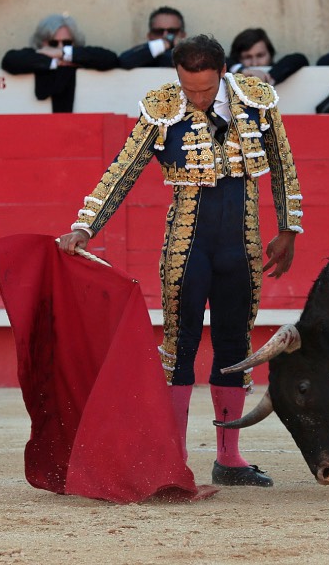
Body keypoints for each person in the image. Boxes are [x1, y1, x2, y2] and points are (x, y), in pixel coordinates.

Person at [57, 35, 303, 487]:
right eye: (189, 90)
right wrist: (86, 225)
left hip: (242, 242)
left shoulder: (258, 99)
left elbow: (283, 163)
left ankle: (229, 459)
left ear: (224, 72)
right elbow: (125, 166)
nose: (197, 99)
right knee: (180, 346)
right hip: (187, 243)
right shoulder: (161, 106)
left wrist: (288, 230)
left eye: (206, 90)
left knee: (235, 344)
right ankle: (174, 458)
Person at [1, 13, 118, 113]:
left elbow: (110, 59)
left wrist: (63, 53)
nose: (60, 47)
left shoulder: (82, 55)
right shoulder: (34, 56)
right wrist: (55, 62)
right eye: (53, 43)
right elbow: (9, 61)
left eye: (66, 43)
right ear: (43, 43)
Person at [227, 27, 308, 85]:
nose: (254, 63)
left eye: (260, 55)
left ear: (270, 54)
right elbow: (219, 60)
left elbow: (299, 59)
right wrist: (242, 70)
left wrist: (269, 77)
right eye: (247, 57)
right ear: (238, 57)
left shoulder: (277, 71)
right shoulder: (230, 71)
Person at [118, 6, 187, 69]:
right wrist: (161, 45)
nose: (165, 35)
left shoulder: (193, 56)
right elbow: (124, 61)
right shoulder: (143, 54)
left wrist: (181, 49)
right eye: (158, 31)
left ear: (183, 35)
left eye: (172, 31)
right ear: (149, 35)